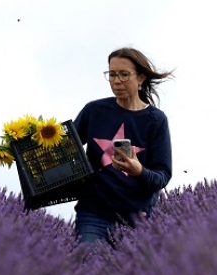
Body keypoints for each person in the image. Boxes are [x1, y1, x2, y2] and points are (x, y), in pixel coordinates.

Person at [73, 47, 174, 245]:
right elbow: (65, 149)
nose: (117, 81)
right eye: (112, 75)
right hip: (93, 214)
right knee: (88, 269)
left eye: (124, 75)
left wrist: (139, 171)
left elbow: (162, 177)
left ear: (141, 78)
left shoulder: (156, 121)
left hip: (138, 221)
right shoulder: (94, 111)